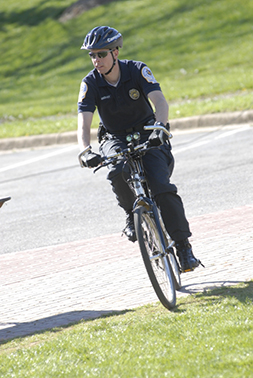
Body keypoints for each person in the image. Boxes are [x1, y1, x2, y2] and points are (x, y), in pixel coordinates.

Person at [77, 26, 201, 272]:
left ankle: (184, 247)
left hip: (148, 132)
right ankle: (130, 215)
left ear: (115, 52)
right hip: (115, 137)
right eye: (92, 55)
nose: (96, 60)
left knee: (162, 188)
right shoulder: (89, 82)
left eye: (101, 54)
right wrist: (85, 150)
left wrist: (160, 128)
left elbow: (160, 102)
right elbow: (84, 122)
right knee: (115, 171)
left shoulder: (136, 70)